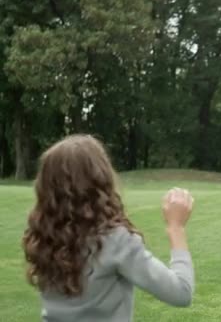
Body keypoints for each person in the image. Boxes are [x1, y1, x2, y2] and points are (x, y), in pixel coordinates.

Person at [22, 134, 195, 322]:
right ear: (100, 180)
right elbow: (181, 292)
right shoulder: (114, 240)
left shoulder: (43, 236)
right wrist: (176, 228)